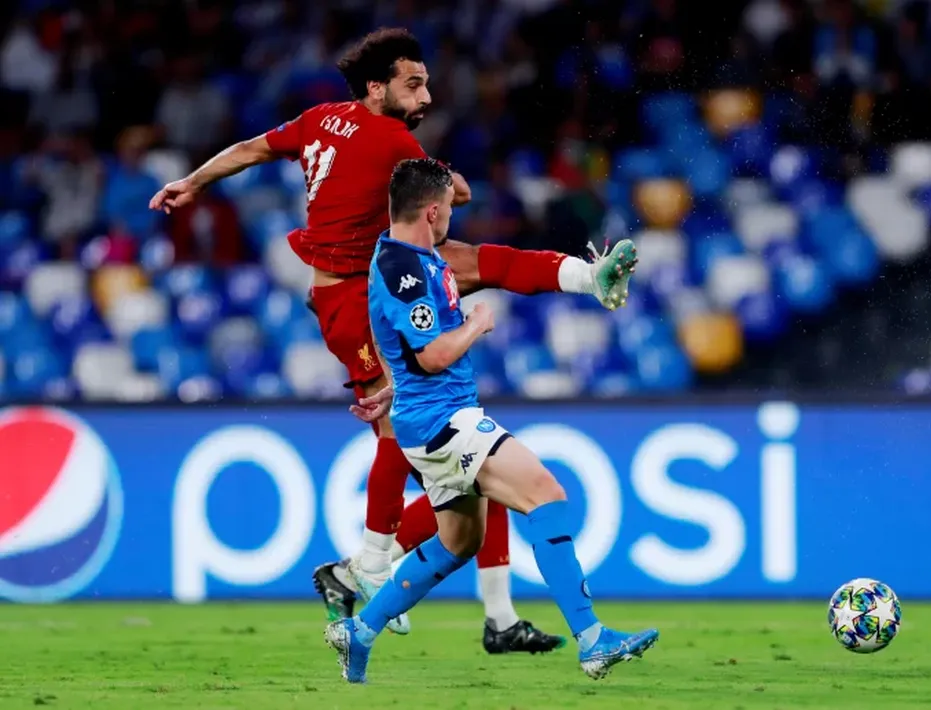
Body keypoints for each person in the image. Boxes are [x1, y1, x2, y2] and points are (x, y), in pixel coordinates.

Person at [149, 27, 637, 652]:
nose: (427, 94)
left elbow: (250, 148)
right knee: (407, 429)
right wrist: (452, 187)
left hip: (375, 269)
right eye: (414, 83)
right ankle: (371, 564)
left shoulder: (323, 118)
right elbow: (452, 192)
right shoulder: (390, 139)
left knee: (483, 276)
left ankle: (589, 276)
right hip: (357, 295)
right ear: (377, 87)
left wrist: (193, 182)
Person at [326, 158, 658, 684]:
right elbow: (434, 354)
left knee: (459, 543)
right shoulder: (405, 270)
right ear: (431, 211)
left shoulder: (413, 259)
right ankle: (593, 641)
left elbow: (413, 353)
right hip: (444, 423)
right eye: (451, 211)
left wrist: (393, 389)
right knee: (546, 495)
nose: (452, 221)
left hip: (429, 418)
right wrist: (477, 324)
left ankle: (360, 631)